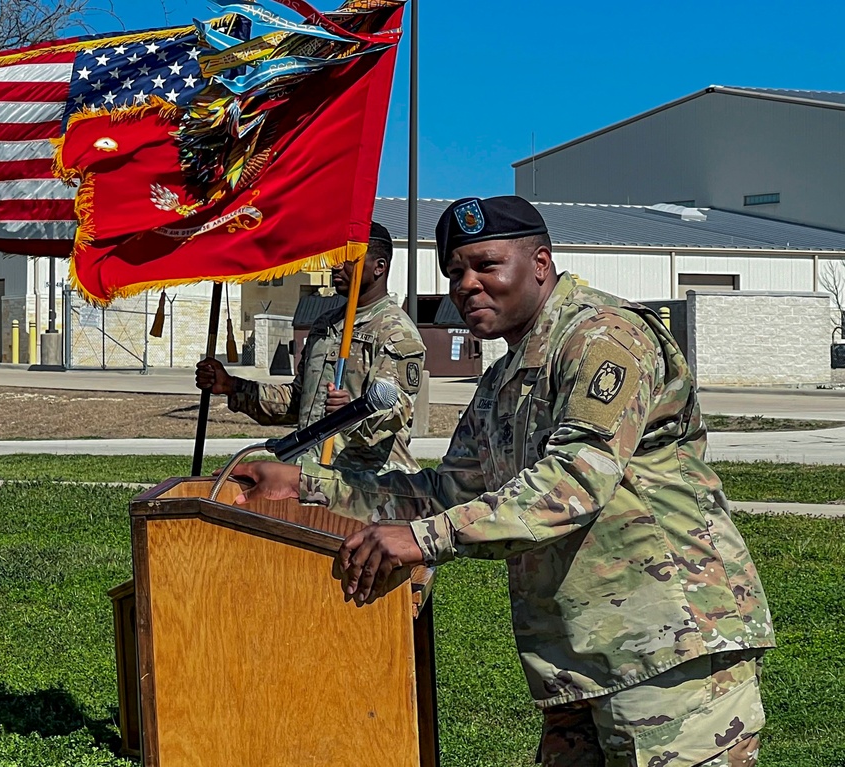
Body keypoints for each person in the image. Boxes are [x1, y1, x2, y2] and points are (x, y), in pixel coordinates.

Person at [226, 196, 776, 767]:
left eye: (486, 265)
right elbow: (446, 492)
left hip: (673, 646)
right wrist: (303, 484)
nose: (467, 284)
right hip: (583, 657)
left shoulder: (603, 337)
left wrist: (426, 539)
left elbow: (576, 480)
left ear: (540, 263)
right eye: (455, 272)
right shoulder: (501, 383)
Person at [196, 221, 426, 473]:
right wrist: (232, 386)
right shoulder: (325, 325)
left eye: (348, 258)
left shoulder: (394, 331)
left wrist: (353, 411)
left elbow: (393, 414)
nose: (335, 265)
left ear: (379, 267)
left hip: (364, 488)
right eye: (335, 256)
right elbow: (297, 403)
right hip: (311, 477)